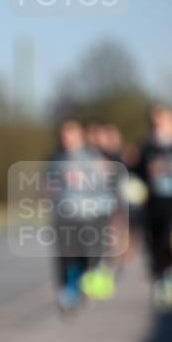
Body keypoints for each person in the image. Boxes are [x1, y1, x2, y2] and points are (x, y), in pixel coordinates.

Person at [46, 120, 118, 312]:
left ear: (80, 136)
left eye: (71, 134)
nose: (67, 139)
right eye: (64, 135)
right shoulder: (56, 157)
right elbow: (49, 184)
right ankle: (70, 290)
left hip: (88, 214)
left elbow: (105, 186)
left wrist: (84, 181)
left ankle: (88, 289)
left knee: (88, 255)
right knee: (67, 255)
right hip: (64, 213)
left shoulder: (93, 157)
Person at [135, 105, 172, 307]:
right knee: (158, 245)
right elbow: (138, 176)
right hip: (154, 203)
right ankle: (162, 279)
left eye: (164, 121)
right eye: (156, 122)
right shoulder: (147, 147)